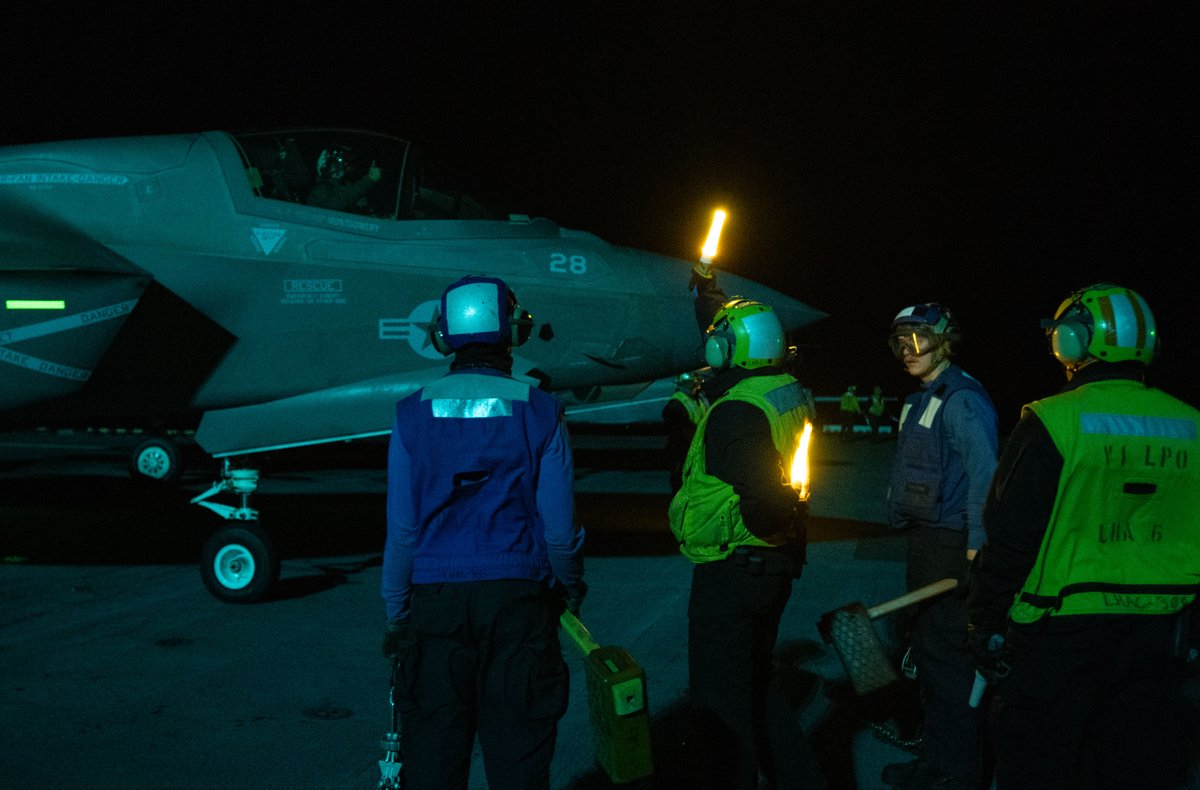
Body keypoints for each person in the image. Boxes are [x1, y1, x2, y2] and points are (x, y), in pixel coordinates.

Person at [967, 283, 1200, 790]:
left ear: (1075, 342)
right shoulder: (1192, 425)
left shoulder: (1053, 420)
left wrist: (984, 623)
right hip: (1160, 639)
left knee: (1039, 766)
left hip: (1059, 636)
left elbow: (1009, 537)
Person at [381, 274, 586, 790]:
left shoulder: (409, 415)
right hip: (518, 607)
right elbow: (559, 531)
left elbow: (403, 532)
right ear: (512, 332)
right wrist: (571, 590)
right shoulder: (541, 410)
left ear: (443, 336)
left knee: (431, 765)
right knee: (519, 764)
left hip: (436, 609)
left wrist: (396, 612)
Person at [670, 260, 818, 789]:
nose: (710, 347)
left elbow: (761, 493)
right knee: (759, 685)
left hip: (736, 567)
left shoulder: (736, 411)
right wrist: (708, 293)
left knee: (719, 705)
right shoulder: (784, 389)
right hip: (773, 564)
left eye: (717, 341)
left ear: (731, 349)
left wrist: (757, 529)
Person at [882, 302, 998, 790]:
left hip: (952, 548)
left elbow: (985, 476)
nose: (907, 351)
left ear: (945, 341)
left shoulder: (962, 401)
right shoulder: (920, 398)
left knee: (950, 664)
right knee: (928, 658)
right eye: (900, 341)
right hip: (927, 546)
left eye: (918, 340)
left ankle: (956, 774)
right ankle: (936, 758)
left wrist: (976, 550)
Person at [662, 370, 710, 493]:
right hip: (683, 452)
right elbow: (679, 433)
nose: (694, 386)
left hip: (697, 450)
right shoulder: (676, 404)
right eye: (692, 383)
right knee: (680, 487)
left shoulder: (699, 398)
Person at [308, 143, 381, 213]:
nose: (345, 166)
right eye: (339, 162)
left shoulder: (340, 190)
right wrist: (368, 180)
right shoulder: (319, 190)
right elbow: (335, 204)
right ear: (326, 166)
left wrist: (356, 206)